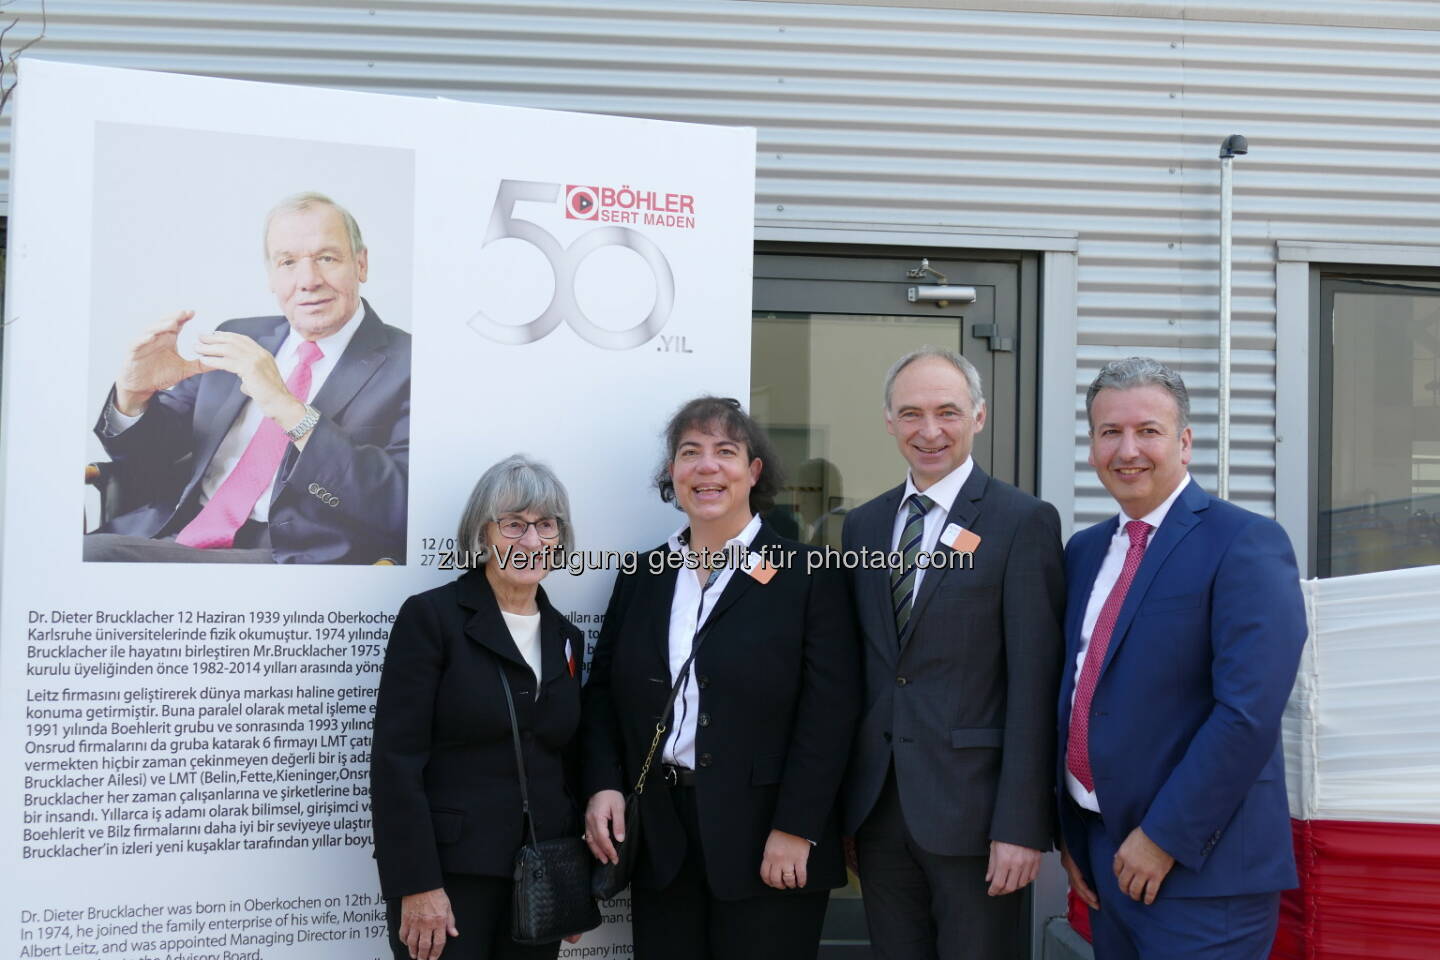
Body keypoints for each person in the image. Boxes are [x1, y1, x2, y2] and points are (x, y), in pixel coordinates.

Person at [581, 397, 860, 960]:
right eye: (690, 453)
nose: (707, 467)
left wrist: (797, 828)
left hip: (770, 841)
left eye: (725, 452)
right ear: (672, 473)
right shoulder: (642, 575)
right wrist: (605, 782)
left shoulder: (807, 574)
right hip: (663, 840)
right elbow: (603, 693)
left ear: (753, 472)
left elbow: (831, 713)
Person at [1057, 357, 1306, 960]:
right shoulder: (1084, 551)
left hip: (1202, 873)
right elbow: (1075, 689)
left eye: (1148, 430)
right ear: (1092, 446)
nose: (1127, 449)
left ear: (1185, 442)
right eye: (1109, 432)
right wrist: (1070, 831)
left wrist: (1162, 837)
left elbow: (1247, 714)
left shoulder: (1245, 542)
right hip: (1102, 857)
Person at [839, 347, 1065, 960]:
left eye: (948, 412)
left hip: (979, 822)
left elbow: (1034, 683)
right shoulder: (863, 526)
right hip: (880, 817)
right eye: (911, 414)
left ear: (980, 417)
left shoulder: (1023, 522)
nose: (929, 431)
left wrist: (1022, 826)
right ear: (888, 421)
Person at [84, 191, 410, 564]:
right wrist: (133, 395)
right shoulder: (239, 337)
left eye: (326, 258)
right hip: (176, 531)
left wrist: (289, 410)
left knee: (91, 557)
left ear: (361, 264)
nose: (308, 280)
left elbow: (398, 503)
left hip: (293, 556)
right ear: (271, 276)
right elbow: (150, 459)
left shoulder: (409, 363)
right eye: (287, 262)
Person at [371, 455, 584, 960]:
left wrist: (570, 878)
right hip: (449, 880)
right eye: (514, 524)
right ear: (483, 533)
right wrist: (417, 883)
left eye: (546, 525)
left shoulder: (566, 637)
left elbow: (565, 762)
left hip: (539, 876)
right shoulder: (432, 618)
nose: (531, 541)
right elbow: (396, 763)